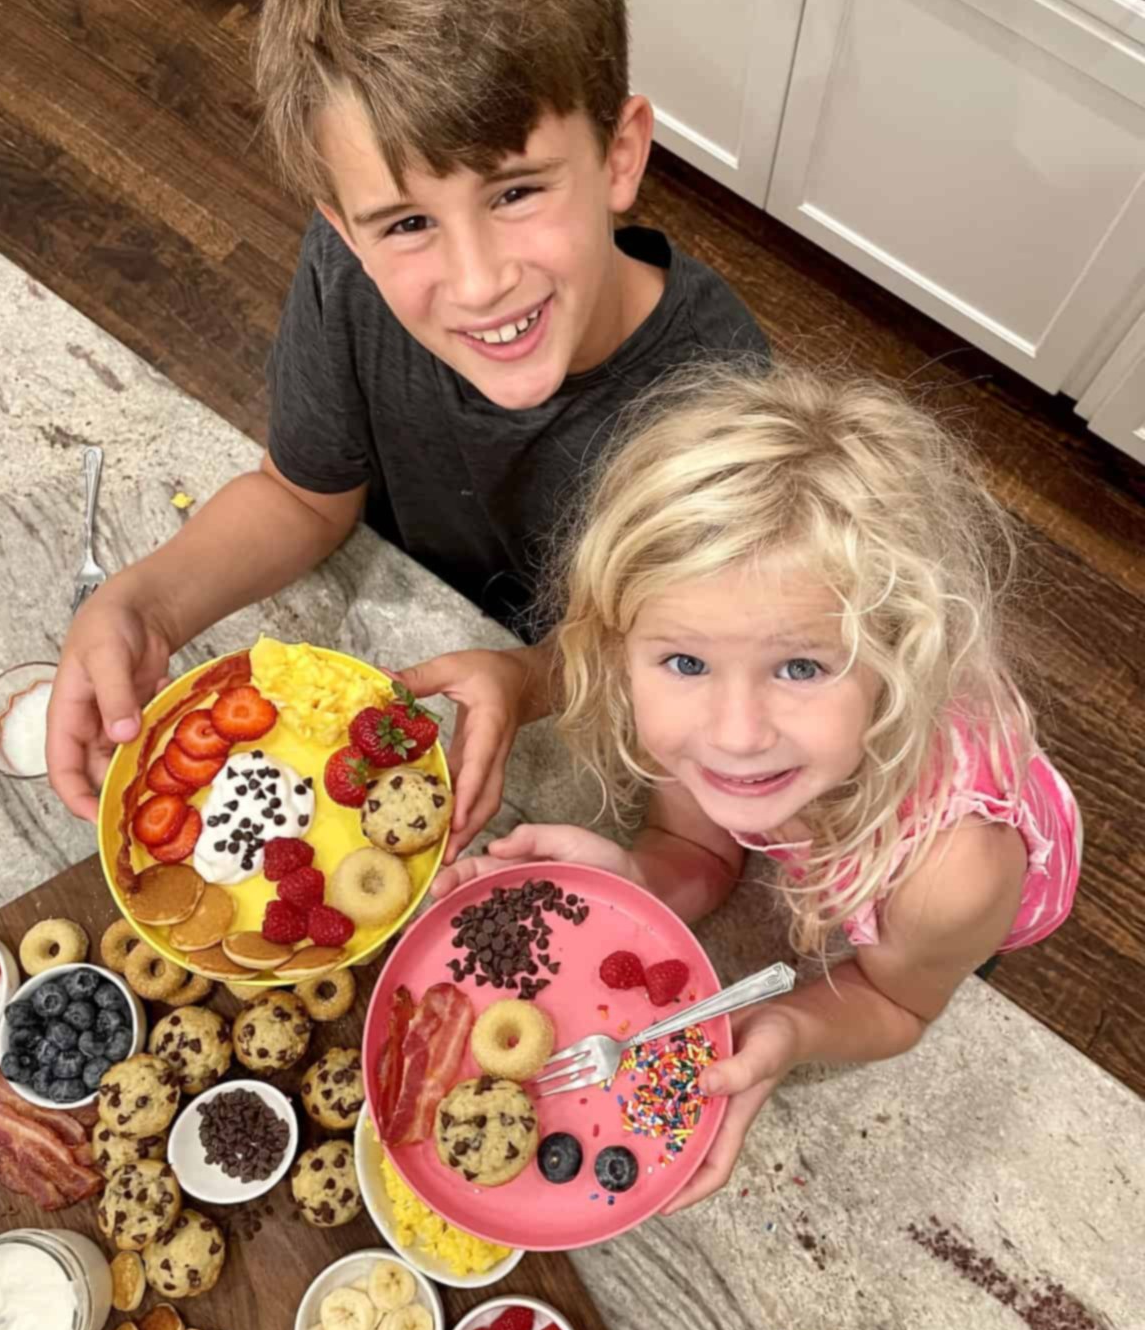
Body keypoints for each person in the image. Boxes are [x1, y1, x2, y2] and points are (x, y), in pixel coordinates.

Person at [45, 0, 768, 835]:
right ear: (345, 230)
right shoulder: (349, 278)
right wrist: (148, 605)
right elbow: (305, 496)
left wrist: (528, 677)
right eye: (407, 223)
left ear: (621, 155)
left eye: (516, 191)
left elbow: (680, 647)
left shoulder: (725, 406)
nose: (478, 282)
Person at [431, 364, 1082, 1211]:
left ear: (897, 664)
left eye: (802, 666)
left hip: (957, 898)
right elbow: (698, 847)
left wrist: (797, 1025)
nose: (736, 734)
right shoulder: (688, 729)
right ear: (621, 644)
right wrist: (636, 879)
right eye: (686, 661)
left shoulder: (953, 874)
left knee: (927, 941)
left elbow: (899, 1001)